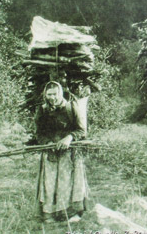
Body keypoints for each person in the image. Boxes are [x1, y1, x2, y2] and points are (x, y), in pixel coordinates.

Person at [34, 81, 88, 223]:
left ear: (60, 93)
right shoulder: (43, 110)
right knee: (49, 183)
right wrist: (47, 143)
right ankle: (49, 214)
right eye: (49, 94)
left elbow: (82, 130)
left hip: (69, 153)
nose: (52, 97)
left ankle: (69, 213)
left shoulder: (71, 107)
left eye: (55, 94)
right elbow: (39, 133)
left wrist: (69, 138)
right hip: (50, 152)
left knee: (68, 181)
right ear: (45, 94)